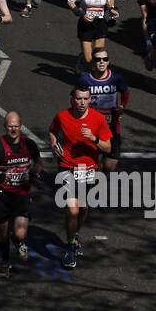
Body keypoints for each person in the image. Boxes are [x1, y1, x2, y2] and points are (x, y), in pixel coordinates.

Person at [48, 86, 113, 269]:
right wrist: (54, 145)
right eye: (78, 99)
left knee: (84, 208)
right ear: (72, 100)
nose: (82, 102)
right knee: (73, 210)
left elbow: (108, 148)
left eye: (85, 99)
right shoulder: (62, 116)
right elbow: (52, 131)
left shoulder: (98, 119)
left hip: (89, 169)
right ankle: (70, 248)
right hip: (67, 167)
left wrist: (93, 139)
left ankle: (75, 234)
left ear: (90, 99)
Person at [0, 111, 43, 278]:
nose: (13, 129)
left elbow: (38, 162)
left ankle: (18, 242)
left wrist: (35, 173)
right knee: (3, 232)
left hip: (22, 194)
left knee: (19, 233)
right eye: (10, 126)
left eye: (16, 126)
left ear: (20, 126)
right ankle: (4, 262)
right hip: (2, 195)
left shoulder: (29, 145)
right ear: (5, 126)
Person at [77, 50, 129, 173]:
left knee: (111, 164)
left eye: (105, 59)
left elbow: (125, 93)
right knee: (93, 162)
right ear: (92, 63)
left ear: (108, 61)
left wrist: (122, 106)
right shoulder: (84, 79)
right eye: (98, 59)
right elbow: (76, 98)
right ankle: (94, 185)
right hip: (91, 127)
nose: (102, 62)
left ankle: (101, 180)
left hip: (112, 127)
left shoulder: (116, 78)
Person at [68, 0, 113, 69]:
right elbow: (70, 1)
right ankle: (82, 57)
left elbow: (108, 2)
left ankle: (95, 80)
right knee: (89, 59)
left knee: (97, 56)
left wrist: (112, 10)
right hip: (85, 24)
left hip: (100, 23)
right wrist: (80, 13)